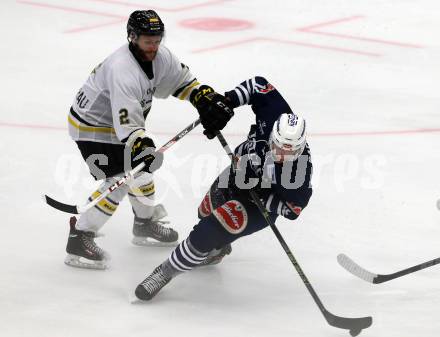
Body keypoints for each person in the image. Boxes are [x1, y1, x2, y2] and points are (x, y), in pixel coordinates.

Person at [65, 10, 234, 270]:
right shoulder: (122, 70)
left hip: (115, 124)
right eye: (148, 41)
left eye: (157, 40)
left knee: (141, 173)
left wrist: (204, 97)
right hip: (92, 126)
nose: (154, 46)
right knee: (122, 178)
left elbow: (183, 82)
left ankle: (143, 224)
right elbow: (129, 126)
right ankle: (80, 236)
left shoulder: (160, 55)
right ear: (132, 37)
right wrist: (142, 146)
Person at [134, 76, 313, 300]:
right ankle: (216, 250)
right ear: (274, 135)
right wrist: (226, 102)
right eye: (278, 146)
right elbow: (258, 84)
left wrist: (263, 196)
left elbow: (292, 210)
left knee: (206, 232)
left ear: (300, 146)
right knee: (204, 211)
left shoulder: (300, 173)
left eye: (289, 152)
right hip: (237, 176)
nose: (282, 155)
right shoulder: (276, 114)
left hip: (257, 206)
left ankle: (164, 272)